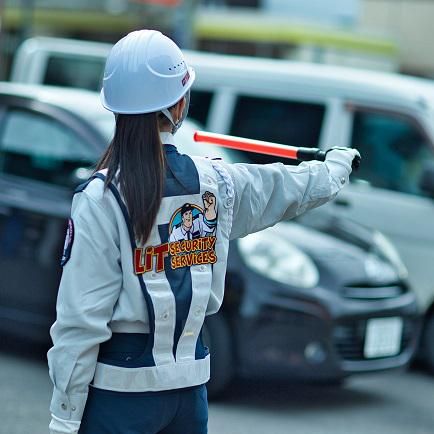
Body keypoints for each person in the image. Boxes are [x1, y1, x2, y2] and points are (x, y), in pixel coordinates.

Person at [47, 29, 360, 434]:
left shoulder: (100, 198)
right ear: (179, 105)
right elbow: (290, 186)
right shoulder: (216, 183)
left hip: (119, 397)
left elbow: (80, 320)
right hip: (189, 399)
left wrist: (64, 417)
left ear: (115, 107)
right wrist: (336, 166)